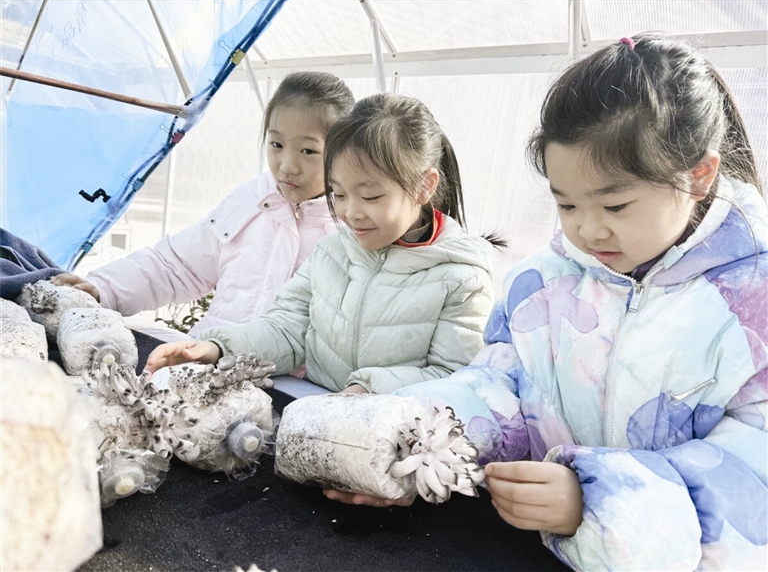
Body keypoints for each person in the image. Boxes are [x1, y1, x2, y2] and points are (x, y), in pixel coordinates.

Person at [331, 35, 768, 570]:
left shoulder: (752, 305)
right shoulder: (543, 281)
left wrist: (597, 502)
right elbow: (501, 386)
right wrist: (417, 440)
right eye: (567, 205)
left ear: (698, 176)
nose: (588, 230)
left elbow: (755, 477)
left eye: (615, 205)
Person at [145, 93, 496, 396]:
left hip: (398, 438)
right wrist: (218, 347)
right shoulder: (331, 253)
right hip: (313, 421)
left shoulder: (461, 278)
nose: (351, 213)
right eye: (338, 194)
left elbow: (454, 377)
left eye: (371, 196)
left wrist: (368, 389)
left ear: (424, 186)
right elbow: (286, 330)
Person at [51, 72, 354, 337]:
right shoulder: (252, 200)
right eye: (276, 145)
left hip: (287, 381)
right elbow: (177, 266)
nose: (287, 165)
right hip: (206, 363)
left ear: (342, 152)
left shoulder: (353, 231)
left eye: (307, 151)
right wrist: (104, 287)